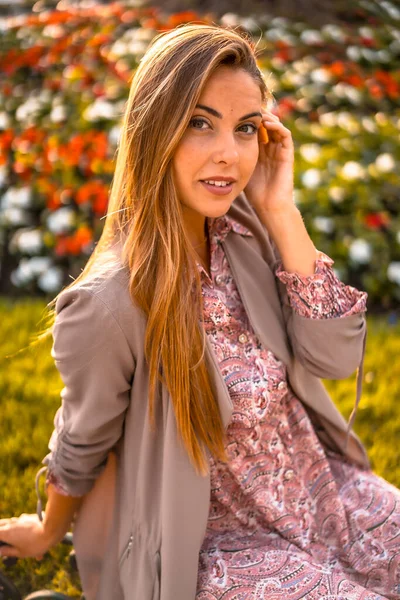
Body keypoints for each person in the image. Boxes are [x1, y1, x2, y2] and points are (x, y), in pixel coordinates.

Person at [0, 23, 399, 600]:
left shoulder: (248, 232)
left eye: (245, 129)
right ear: (154, 128)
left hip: (319, 494)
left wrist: (282, 211)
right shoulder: (107, 303)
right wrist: (47, 530)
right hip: (214, 547)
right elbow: (81, 440)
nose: (228, 155)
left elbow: (335, 357)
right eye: (199, 122)